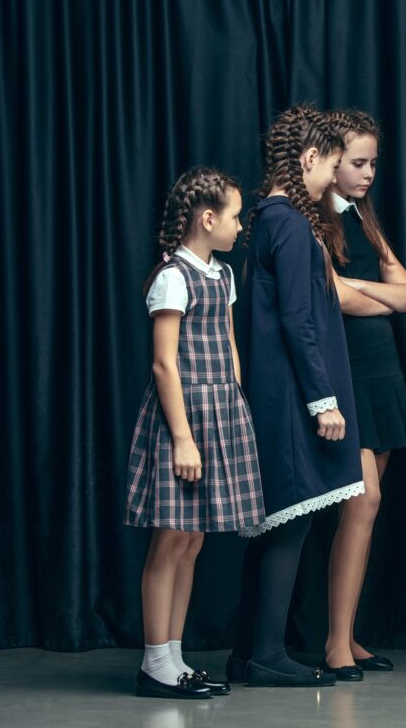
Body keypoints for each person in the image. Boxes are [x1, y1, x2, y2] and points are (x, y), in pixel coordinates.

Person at [229, 105, 363, 687]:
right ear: (309, 159)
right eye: (331, 165)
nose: (332, 178)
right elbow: (297, 320)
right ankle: (264, 653)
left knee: (280, 519)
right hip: (288, 396)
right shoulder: (284, 222)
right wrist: (322, 400)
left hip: (283, 391)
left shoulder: (273, 219)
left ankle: (250, 651)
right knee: (289, 521)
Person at [125, 166, 264, 699]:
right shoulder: (173, 277)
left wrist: (234, 402)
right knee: (171, 538)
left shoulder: (222, 275)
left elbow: (227, 346)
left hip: (219, 412)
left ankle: (174, 658)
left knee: (194, 538)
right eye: (233, 217)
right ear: (208, 218)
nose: (238, 228)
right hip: (182, 416)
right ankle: (154, 662)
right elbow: (164, 364)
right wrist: (183, 437)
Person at [313, 109, 406, 679]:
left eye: (374, 162)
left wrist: (358, 287)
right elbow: (329, 299)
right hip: (346, 372)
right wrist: (372, 293)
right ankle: (334, 642)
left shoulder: (364, 217)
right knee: (363, 502)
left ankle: (348, 635)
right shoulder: (312, 219)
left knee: (365, 514)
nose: (368, 173)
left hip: (382, 371)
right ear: (330, 162)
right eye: (358, 162)